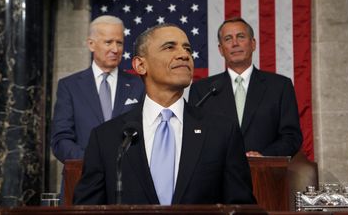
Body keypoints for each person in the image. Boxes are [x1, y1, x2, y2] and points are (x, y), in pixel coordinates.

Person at [73, 24, 256, 205]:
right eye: (169, 47)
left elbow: (241, 207)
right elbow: (87, 208)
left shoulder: (222, 132)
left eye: (187, 49)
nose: (184, 55)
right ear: (140, 65)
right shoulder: (106, 137)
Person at [188, 17, 302, 157]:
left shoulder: (280, 86)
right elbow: (193, 136)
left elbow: (291, 136)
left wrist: (263, 157)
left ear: (253, 44)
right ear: (221, 49)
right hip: (216, 175)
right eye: (228, 39)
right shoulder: (202, 90)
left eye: (241, 37)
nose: (235, 43)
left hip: (264, 174)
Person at [51, 15, 145, 163]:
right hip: (82, 177)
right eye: (108, 42)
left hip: (126, 177)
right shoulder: (69, 86)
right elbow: (61, 139)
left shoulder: (139, 85)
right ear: (91, 44)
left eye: (119, 43)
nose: (115, 49)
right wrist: (91, 161)